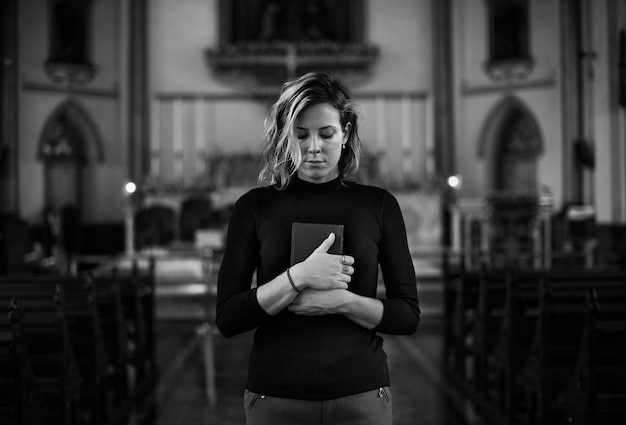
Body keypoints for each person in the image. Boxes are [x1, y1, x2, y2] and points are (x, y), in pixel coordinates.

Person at [216, 71, 420, 425]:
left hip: (361, 393)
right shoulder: (255, 207)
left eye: (326, 134)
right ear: (285, 138)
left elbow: (407, 316)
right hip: (275, 394)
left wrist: (342, 302)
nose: (313, 147)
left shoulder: (378, 205)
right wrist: (298, 277)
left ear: (345, 134)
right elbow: (229, 318)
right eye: (301, 135)